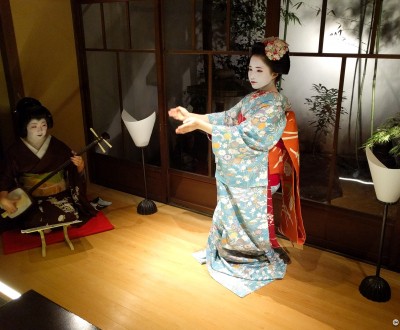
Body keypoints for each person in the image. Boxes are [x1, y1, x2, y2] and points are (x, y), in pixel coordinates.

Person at [168, 37, 305, 297]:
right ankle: (230, 250)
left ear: (275, 73)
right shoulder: (253, 97)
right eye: (250, 69)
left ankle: (248, 255)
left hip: (259, 172)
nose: (252, 75)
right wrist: (193, 116)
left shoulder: (274, 105)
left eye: (259, 70)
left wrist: (199, 126)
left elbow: (245, 137)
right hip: (246, 168)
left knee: (247, 221)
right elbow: (227, 118)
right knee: (229, 213)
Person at [0, 97, 97, 231]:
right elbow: (5, 178)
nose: (40, 130)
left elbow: (72, 170)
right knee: (34, 221)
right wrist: (3, 198)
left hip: (58, 195)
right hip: (31, 198)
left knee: (68, 215)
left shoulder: (57, 145)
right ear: (24, 127)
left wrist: (80, 166)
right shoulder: (15, 151)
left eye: (43, 125)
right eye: (34, 126)